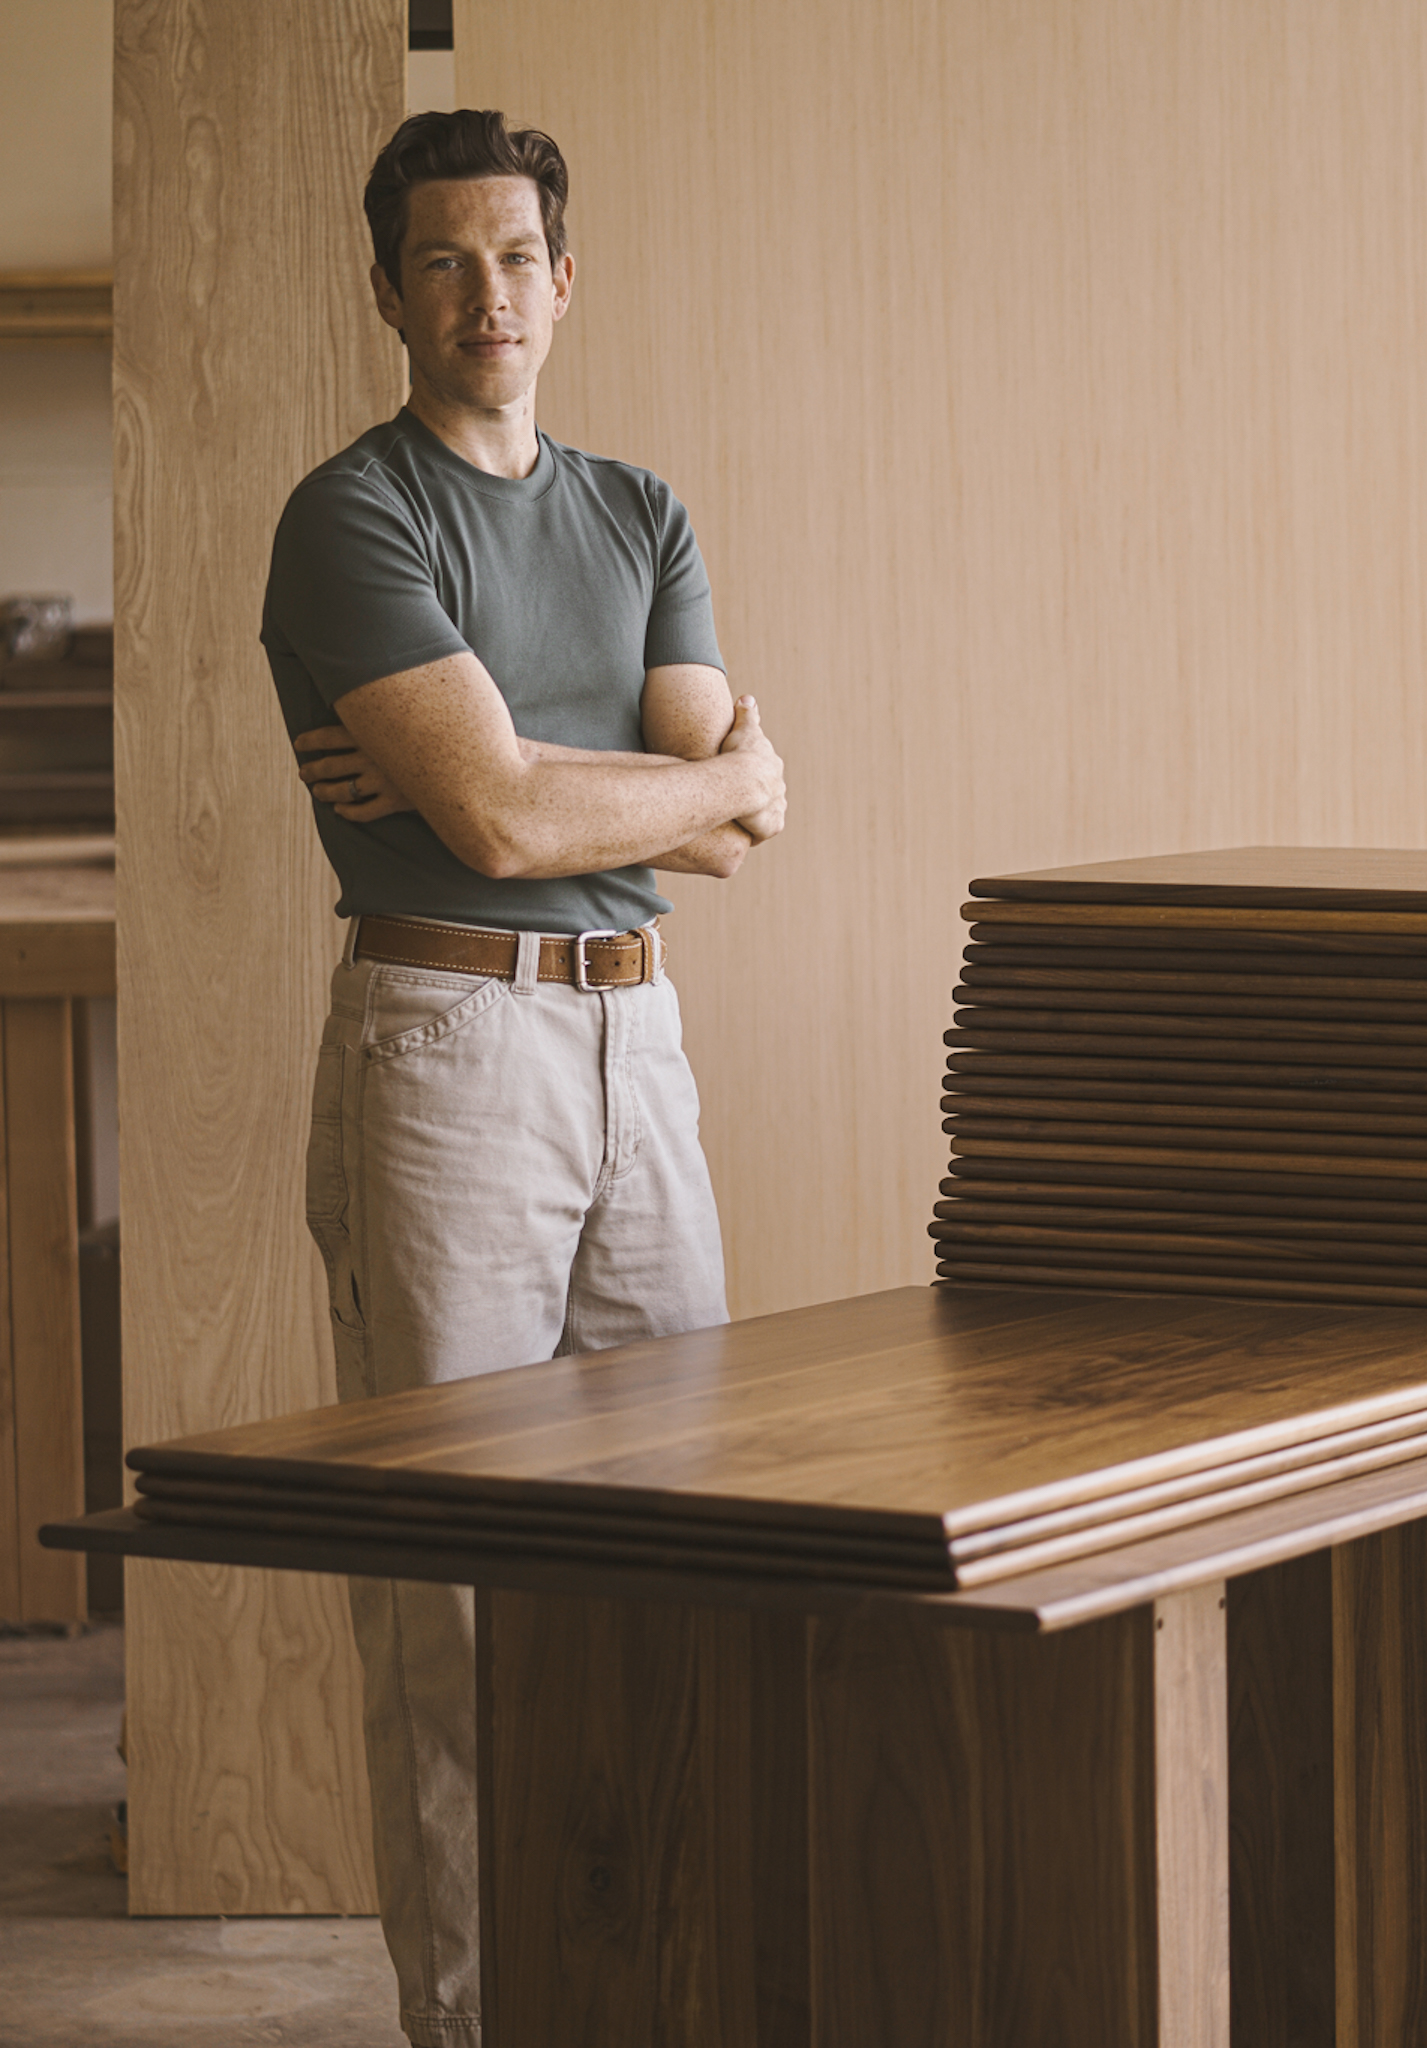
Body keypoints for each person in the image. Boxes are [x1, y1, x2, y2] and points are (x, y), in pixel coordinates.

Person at [259, 108, 783, 2048]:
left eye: (515, 259)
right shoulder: (354, 517)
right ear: (388, 288)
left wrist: (588, 787)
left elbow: (711, 823)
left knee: (692, 1542)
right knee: (461, 1592)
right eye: (443, 264)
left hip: (639, 1040)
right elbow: (503, 818)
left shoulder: (641, 511)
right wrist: (667, 783)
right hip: (449, 1043)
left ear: (567, 279)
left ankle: (676, 1987)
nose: (487, 297)